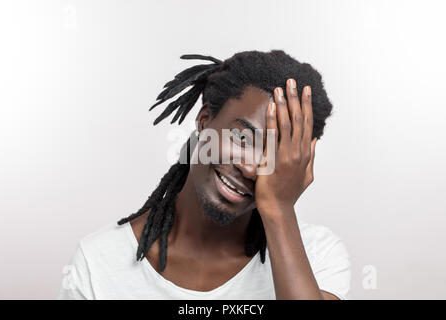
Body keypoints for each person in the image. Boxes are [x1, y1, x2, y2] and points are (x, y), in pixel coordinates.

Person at [58, 50, 351, 300]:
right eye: (242, 138)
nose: (251, 168)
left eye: (275, 156)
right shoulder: (97, 262)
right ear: (204, 120)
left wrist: (279, 209)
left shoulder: (318, 255)